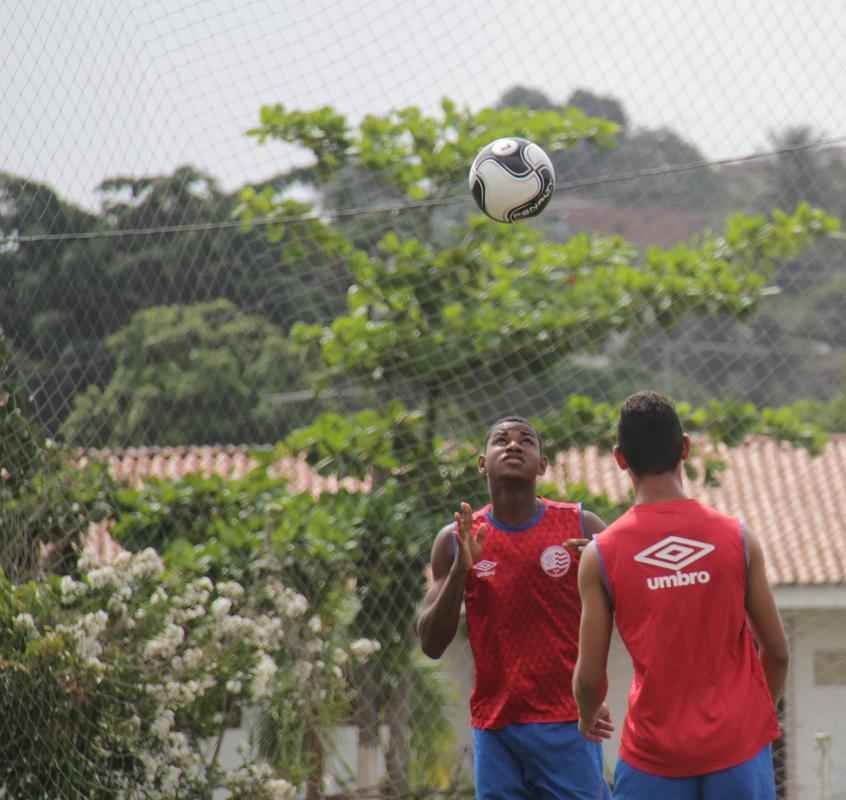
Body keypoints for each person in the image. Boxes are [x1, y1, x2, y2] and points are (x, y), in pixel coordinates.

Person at [573, 391, 789, 800]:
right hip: (739, 751)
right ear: (685, 447)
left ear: (620, 459)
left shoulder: (601, 554)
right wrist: (749, 722)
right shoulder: (738, 538)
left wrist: (587, 716)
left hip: (652, 757)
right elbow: (777, 652)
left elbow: (589, 678)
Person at [417, 415, 613, 800]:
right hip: (496, 729)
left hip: (567, 721)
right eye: (501, 439)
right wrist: (460, 571)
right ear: (482, 463)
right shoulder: (456, 539)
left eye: (526, 440)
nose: (513, 445)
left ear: (542, 464)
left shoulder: (583, 527)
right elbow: (430, 643)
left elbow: (634, 608)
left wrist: (593, 692)